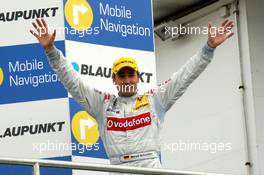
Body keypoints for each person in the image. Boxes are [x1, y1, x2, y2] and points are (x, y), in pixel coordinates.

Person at [30, 18, 234, 170]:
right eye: (122, 76)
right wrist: (51, 51)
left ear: (138, 78)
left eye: (131, 75)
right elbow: (72, 82)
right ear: (114, 80)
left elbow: (184, 77)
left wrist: (208, 49)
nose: (127, 80)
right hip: (117, 167)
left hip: (150, 167)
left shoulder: (155, 99)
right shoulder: (102, 104)